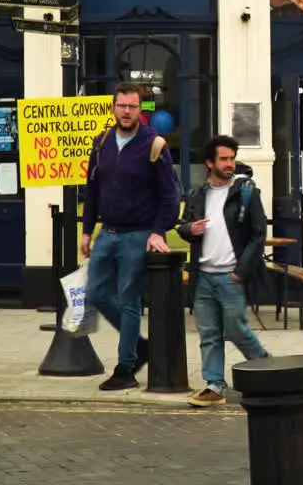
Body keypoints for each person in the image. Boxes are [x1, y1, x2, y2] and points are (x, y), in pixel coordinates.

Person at [80, 82, 181, 391]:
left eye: (132, 107)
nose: (126, 112)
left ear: (141, 109)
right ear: (113, 107)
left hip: (137, 236)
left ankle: (125, 368)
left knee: (129, 301)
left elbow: (170, 195)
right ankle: (140, 346)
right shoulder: (102, 143)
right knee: (95, 293)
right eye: (121, 106)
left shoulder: (154, 145)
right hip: (106, 233)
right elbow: (92, 189)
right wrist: (86, 230)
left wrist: (158, 231)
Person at [178, 136, 272, 407]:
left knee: (236, 329)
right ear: (210, 162)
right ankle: (214, 385)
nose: (229, 164)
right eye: (224, 159)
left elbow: (258, 234)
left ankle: (265, 368)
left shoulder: (246, 192)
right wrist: (189, 230)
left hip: (231, 275)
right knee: (209, 334)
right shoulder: (197, 194)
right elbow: (183, 225)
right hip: (204, 276)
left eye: (232, 158)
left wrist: (240, 272)